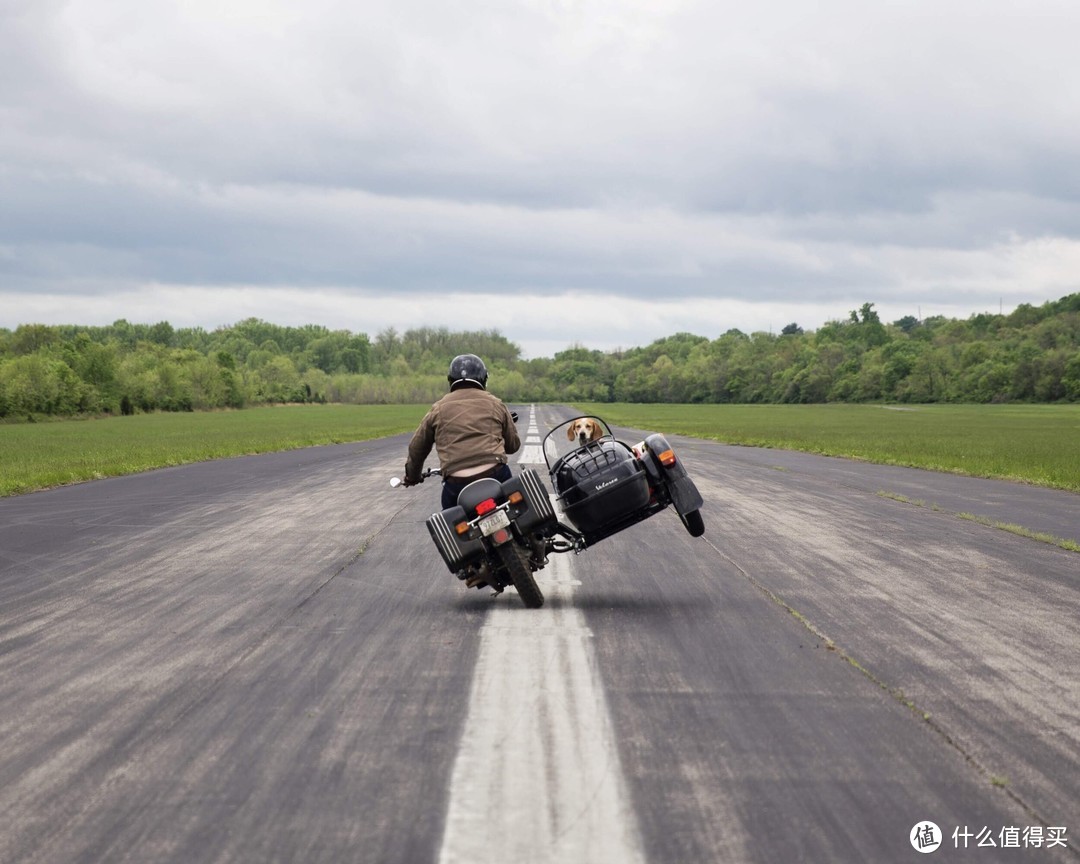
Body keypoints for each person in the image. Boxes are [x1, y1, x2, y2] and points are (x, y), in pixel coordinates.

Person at [404, 354, 521, 509]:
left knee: (451, 527)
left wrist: (412, 476)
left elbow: (416, 447)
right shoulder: (495, 403)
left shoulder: (438, 409)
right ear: (483, 378)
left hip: (456, 484)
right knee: (516, 511)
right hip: (495, 474)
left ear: (450, 380)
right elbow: (513, 446)